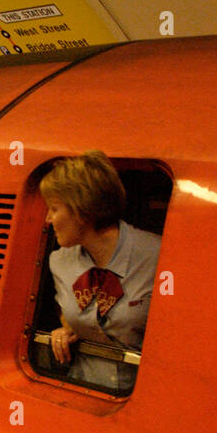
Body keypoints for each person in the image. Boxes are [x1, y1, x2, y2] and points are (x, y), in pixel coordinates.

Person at [40, 153, 160, 394]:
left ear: (83, 211)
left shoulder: (158, 256)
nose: (47, 219)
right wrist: (67, 330)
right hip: (81, 388)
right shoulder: (59, 262)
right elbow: (74, 316)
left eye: (54, 208)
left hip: (145, 396)